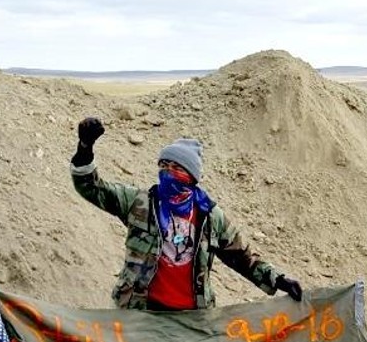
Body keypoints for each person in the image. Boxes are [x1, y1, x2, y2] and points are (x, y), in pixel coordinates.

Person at [69, 117, 302, 311]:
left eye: (177, 168)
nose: (168, 173)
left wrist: (278, 280)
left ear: (191, 176)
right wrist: (84, 150)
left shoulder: (210, 216)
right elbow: (92, 188)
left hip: (192, 318)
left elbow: (242, 258)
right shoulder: (139, 202)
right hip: (139, 312)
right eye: (164, 166)